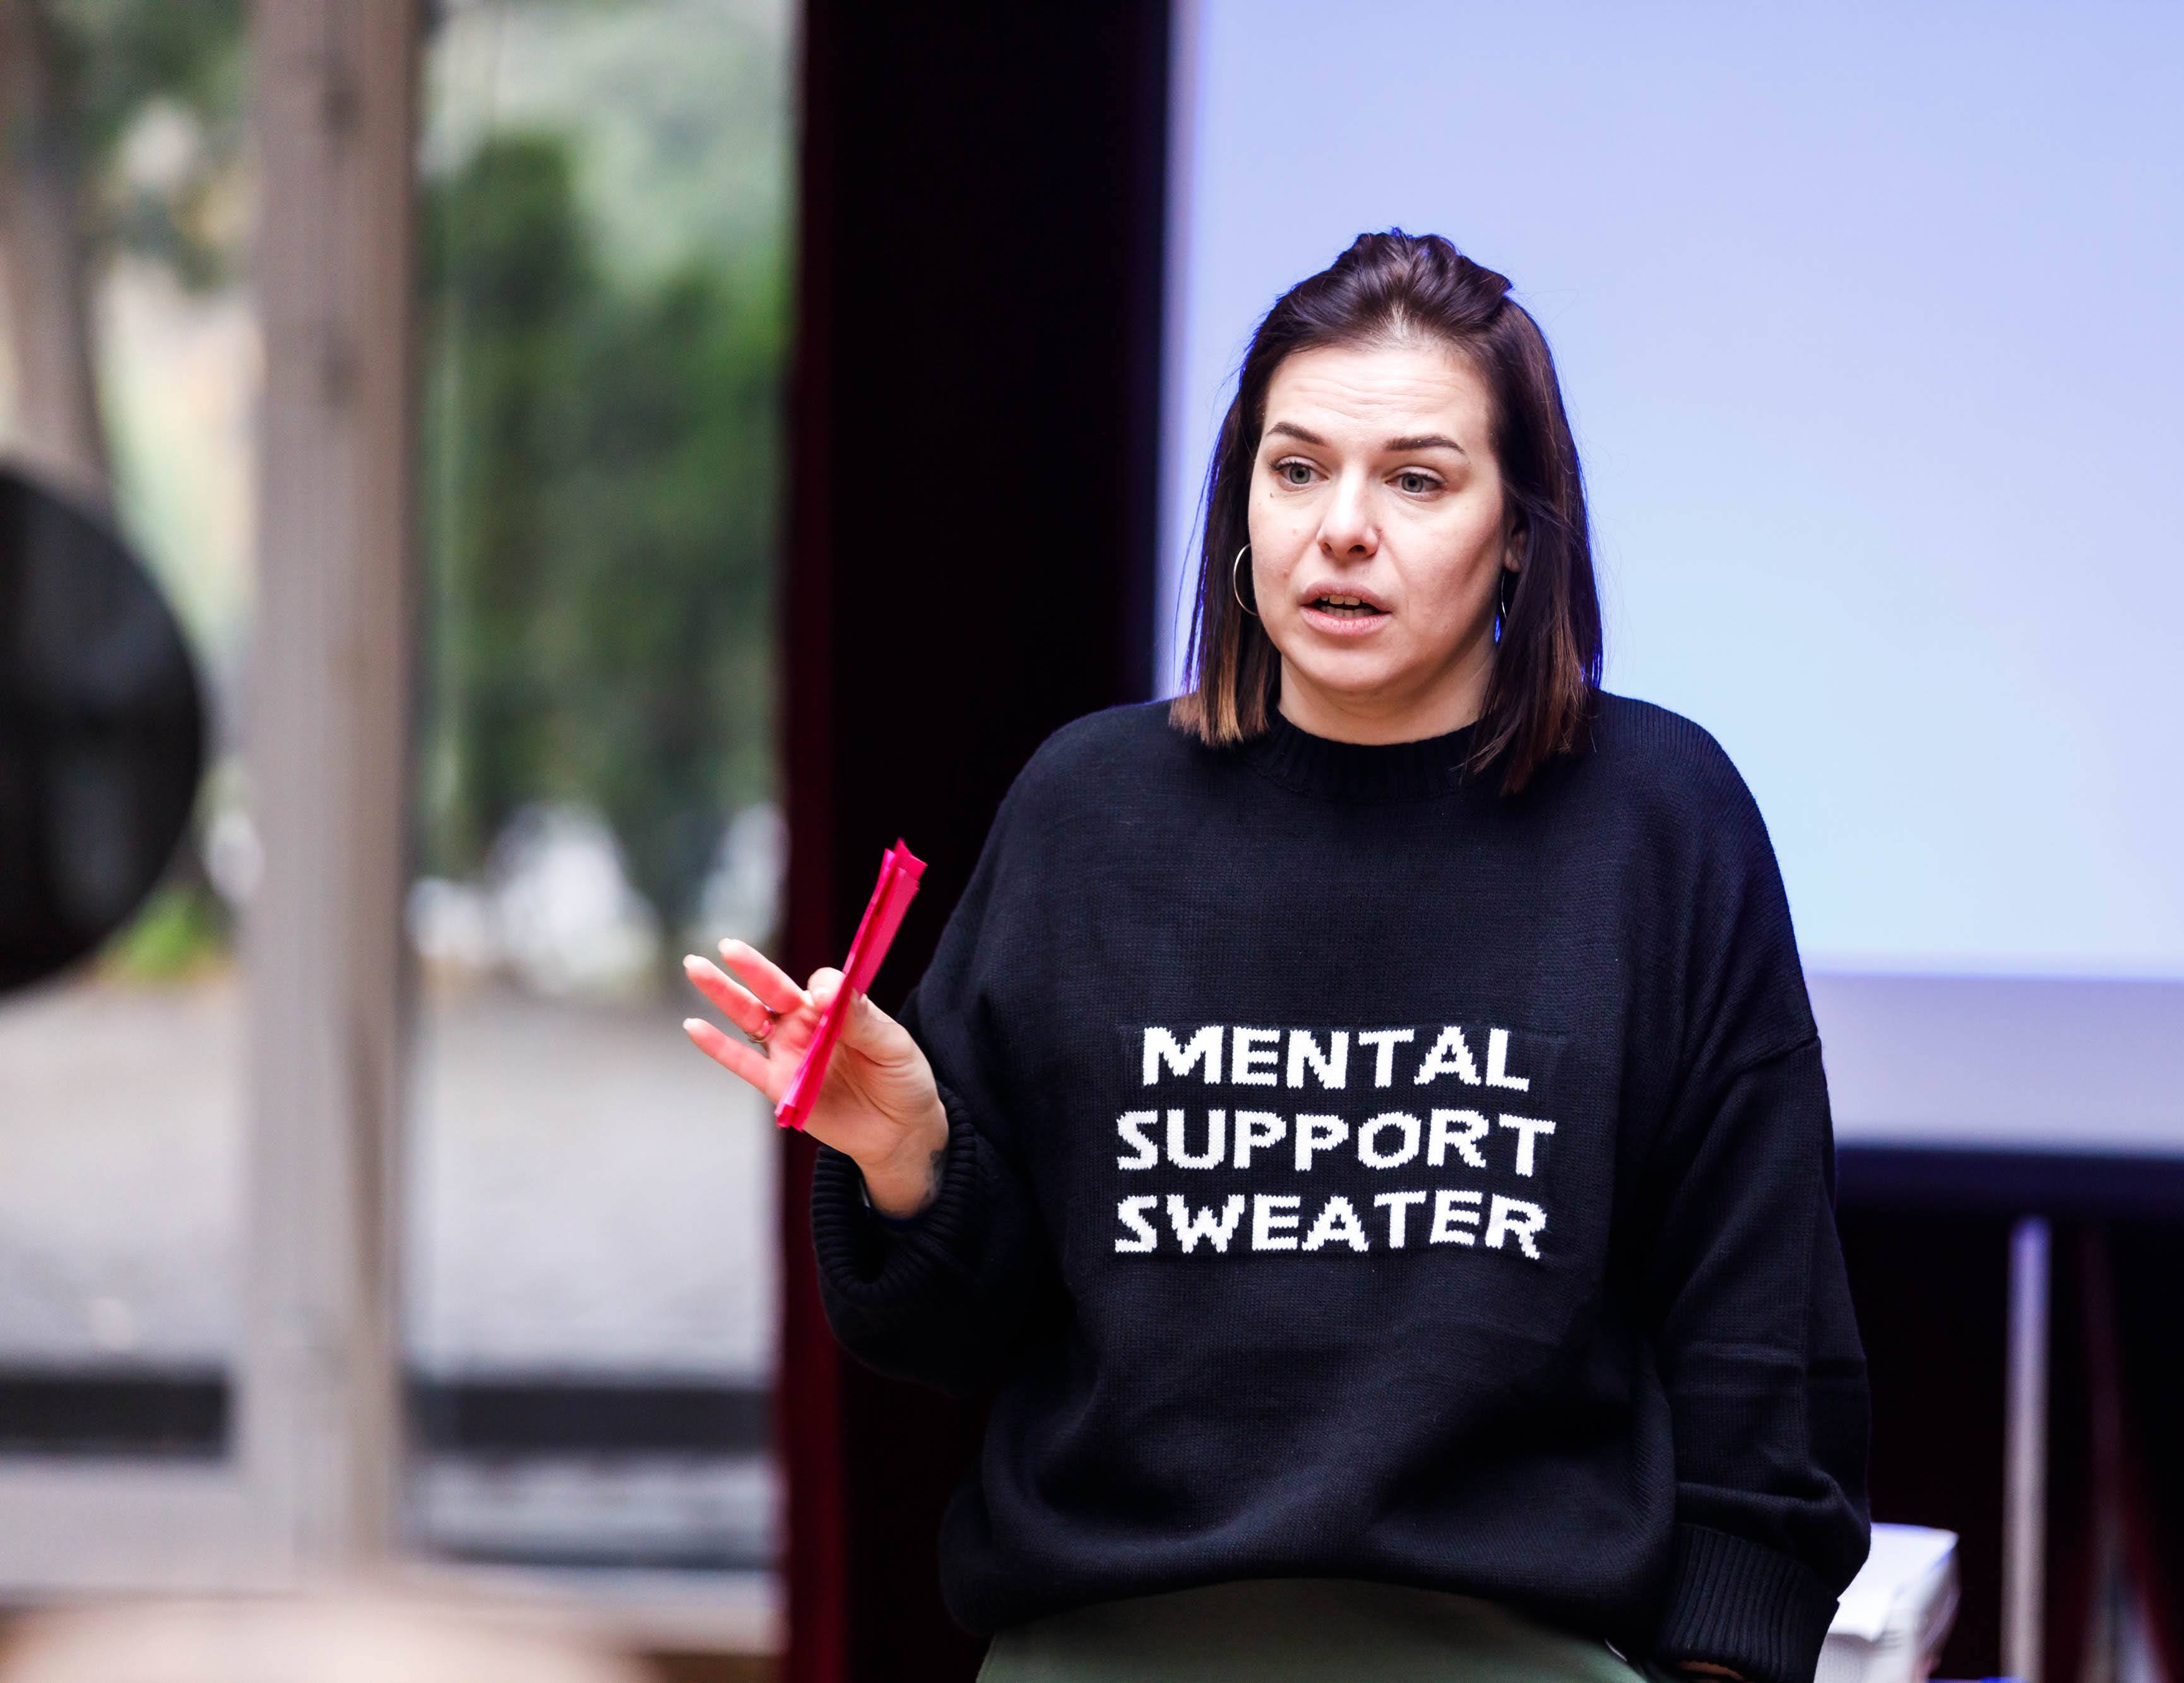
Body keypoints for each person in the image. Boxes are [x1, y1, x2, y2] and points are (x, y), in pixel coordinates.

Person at [682, 231, 1869, 1682]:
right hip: (1104, 1647)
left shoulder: (1659, 820)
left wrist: (1727, 1662)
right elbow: (960, 1338)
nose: (1341, 528)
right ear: (1241, 501)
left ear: (1519, 531)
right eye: (1295, 468)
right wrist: (908, 1156)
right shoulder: (1088, 806)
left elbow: (1758, 1331)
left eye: (1415, 480)